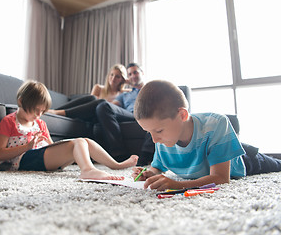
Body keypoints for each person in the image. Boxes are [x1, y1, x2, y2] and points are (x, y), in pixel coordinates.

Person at [131, 80, 281, 190]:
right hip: (214, 154)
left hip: (245, 159)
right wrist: (148, 173)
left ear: (182, 115)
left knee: (277, 165)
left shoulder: (216, 124)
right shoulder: (163, 140)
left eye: (158, 131)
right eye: (148, 132)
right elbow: (157, 167)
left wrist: (179, 185)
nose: (154, 140)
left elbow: (222, 178)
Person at [0, 80, 138, 180]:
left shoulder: (40, 124)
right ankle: (87, 170)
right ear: (21, 102)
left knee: (84, 141)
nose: (38, 115)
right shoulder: (9, 121)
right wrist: (27, 147)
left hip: (45, 158)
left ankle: (116, 165)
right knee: (77, 143)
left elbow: (51, 146)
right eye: (36, 110)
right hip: (24, 160)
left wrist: (49, 144)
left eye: (42, 111)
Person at [95, 63, 154, 163]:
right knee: (103, 106)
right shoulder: (125, 94)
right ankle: (119, 154)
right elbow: (111, 105)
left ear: (142, 73)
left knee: (155, 115)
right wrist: (130, 82)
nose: (133, 76)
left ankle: (145, 155)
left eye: (135, 73)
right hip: (131, 115)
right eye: (129, 74)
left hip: (147, 113)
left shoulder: (151, 88)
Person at [47, 64, 129, 122]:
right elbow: (90, 104)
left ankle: (57, 112)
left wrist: (128, 82)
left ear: (122, 79)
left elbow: (136, 90)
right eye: (111, 75)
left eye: (117, 76)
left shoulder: (123, 94)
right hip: (87, 113)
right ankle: (55, 111)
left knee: (101, 103)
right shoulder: (99, 88)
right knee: (92, 98)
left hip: (101, 117)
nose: (113, 78)